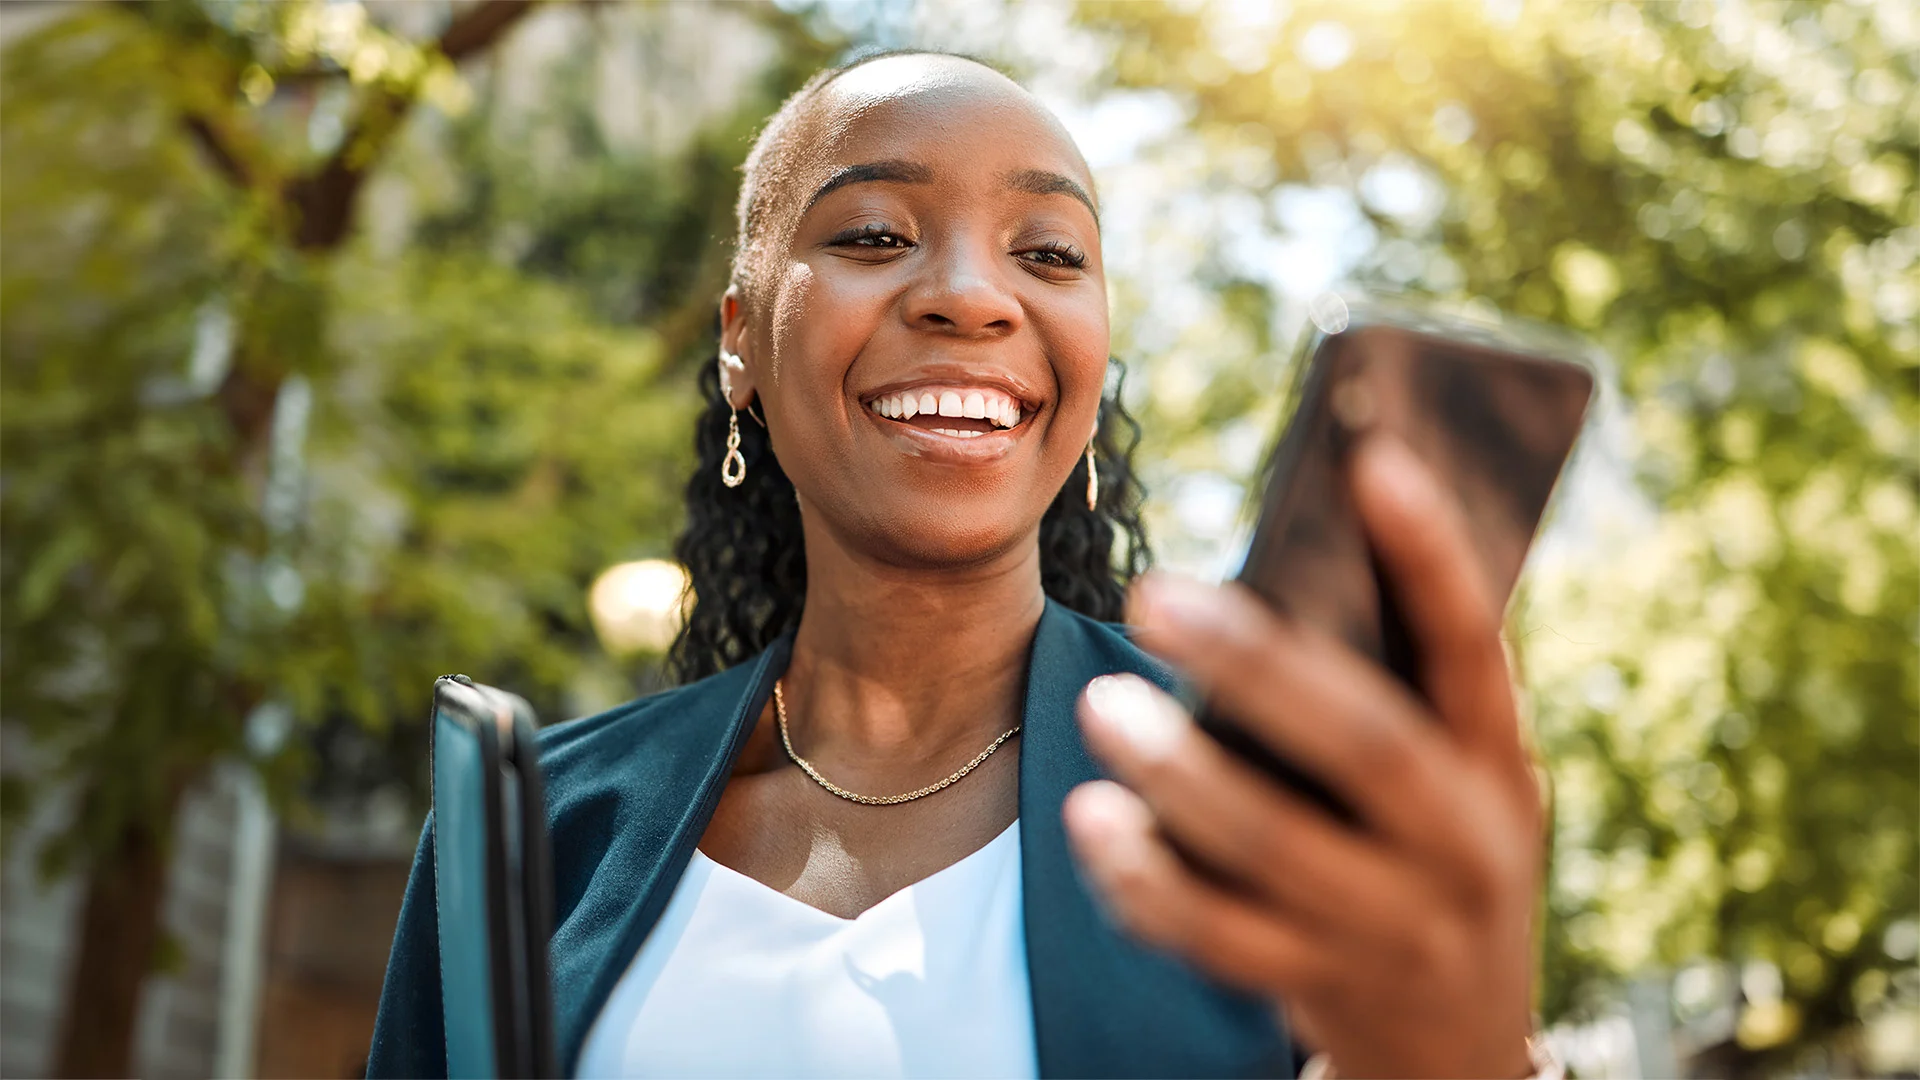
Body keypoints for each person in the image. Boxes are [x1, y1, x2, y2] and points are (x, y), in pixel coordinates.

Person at [368, 50, 1549, 1080]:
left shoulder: (1247, 788)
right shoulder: (537, 828)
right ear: (741, 343)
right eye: (876, 234)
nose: (974, 298)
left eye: (1048, 252)